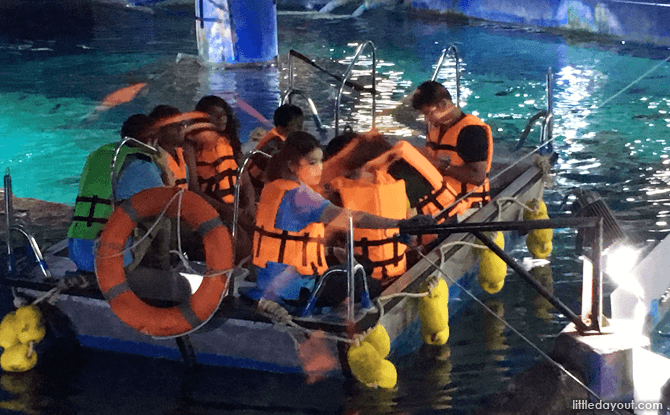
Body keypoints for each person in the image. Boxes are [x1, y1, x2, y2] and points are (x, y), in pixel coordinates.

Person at [248, 131, 435, 310]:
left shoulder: (272, 188)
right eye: (312, 163)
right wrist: (397, 224)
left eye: (321, 162)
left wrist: (329, 250)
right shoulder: (301, 197)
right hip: (296, 290)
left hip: (268, 278)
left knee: (364, 264)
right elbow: (353, 218)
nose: (320, 168)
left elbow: (289, 238)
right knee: (371, 284)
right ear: (292, 165)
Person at [67, 114, 164, 272]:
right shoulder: (140, 162)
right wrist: (164, 168)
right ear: (151, 138)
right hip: (108, 257)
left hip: (77, 250)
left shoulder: (98, 155)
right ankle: (162, 272)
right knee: (163, 221)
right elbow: (168, 201)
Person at [410, 81, 493, 218]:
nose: (426, 119)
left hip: (466, 209)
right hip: (441, 203)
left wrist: (440, 166)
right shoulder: (436, 127)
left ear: (443, 104)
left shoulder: (471, 131)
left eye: (428, 113)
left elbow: (478, 177)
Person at [248, 104, 305, 191]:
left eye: (301, 123)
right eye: (295, 124)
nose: (300, 127)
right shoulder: (274, 147)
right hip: (258, 190)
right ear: (282, 126)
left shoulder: (278, 138)